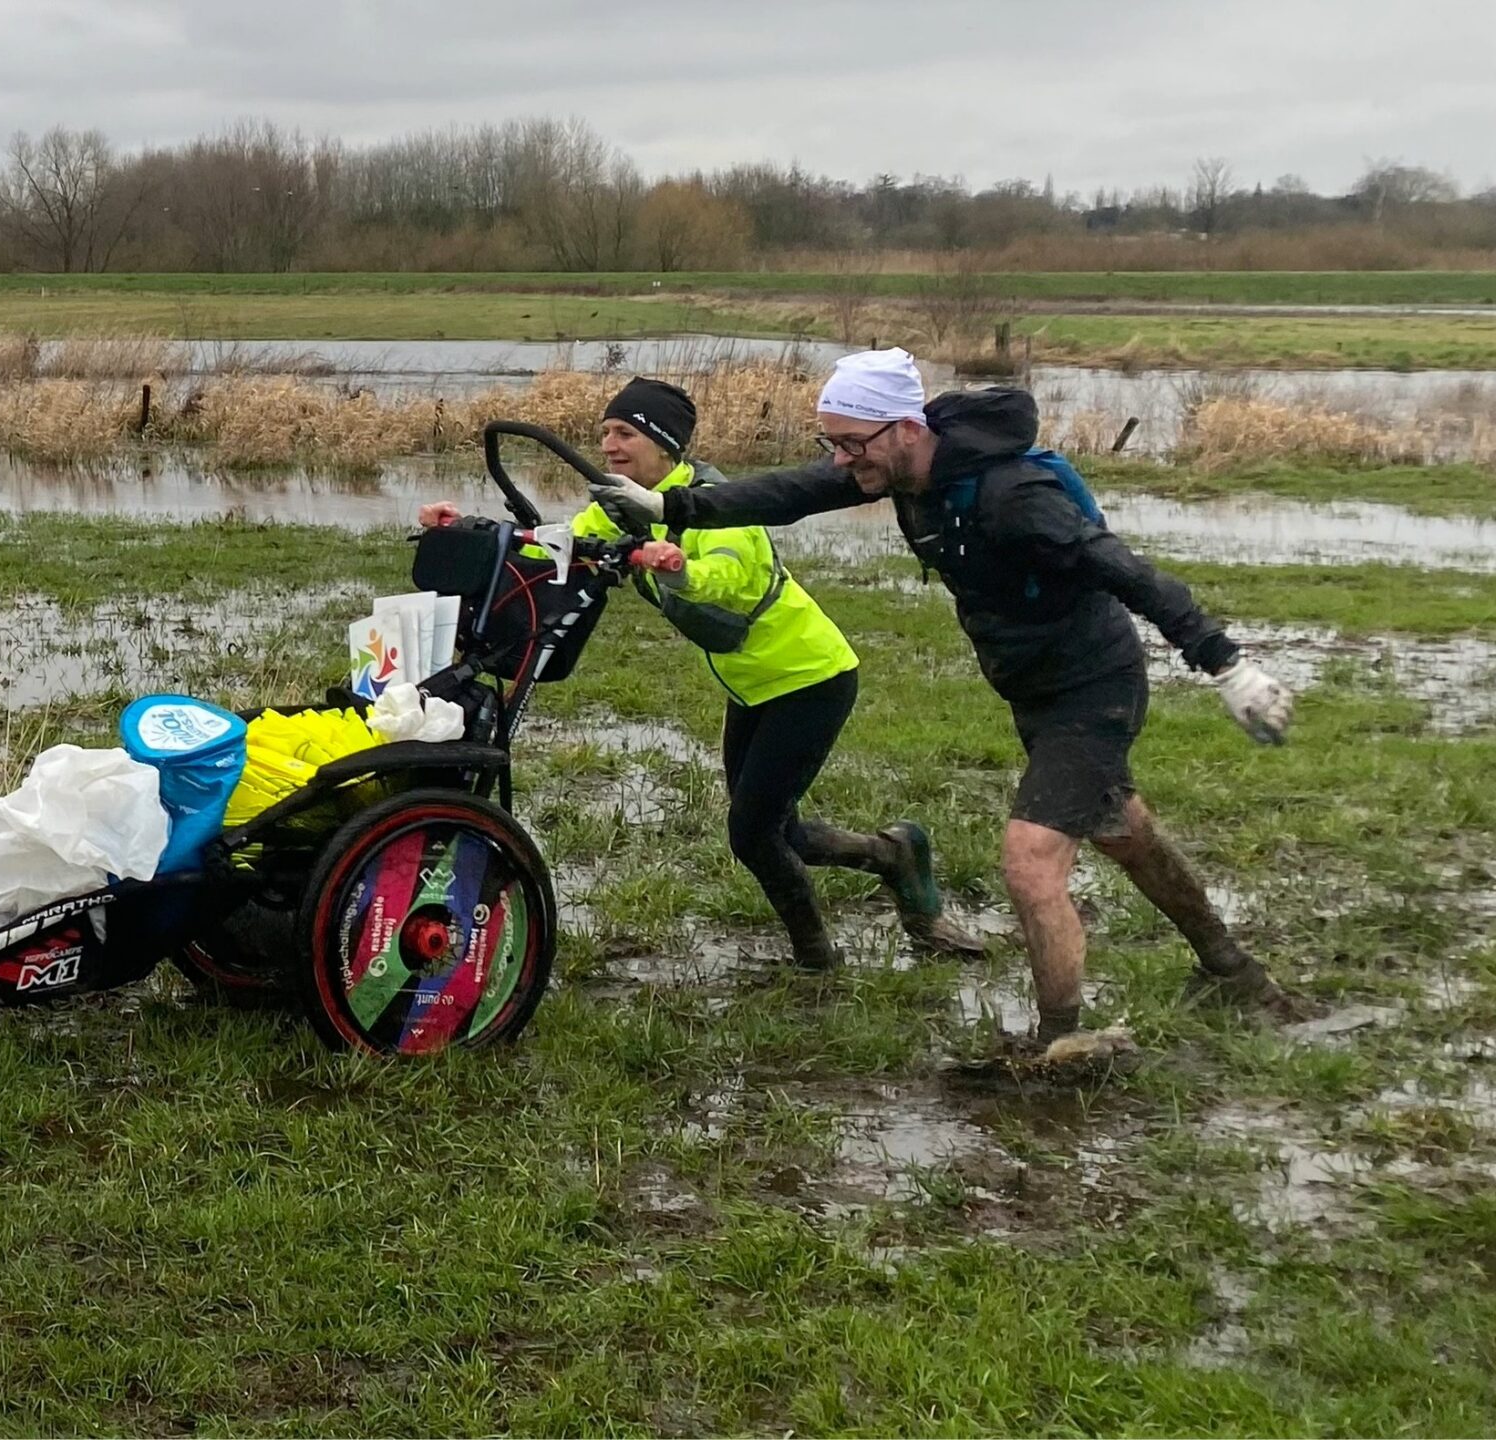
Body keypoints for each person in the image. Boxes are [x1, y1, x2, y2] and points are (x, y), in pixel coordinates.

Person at [586, 349, 1307, 1045]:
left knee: (1030, 862)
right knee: (1121, 830)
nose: (840, 461)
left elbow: (1127, 572)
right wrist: (668, 503)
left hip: (1091, 689)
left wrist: (1226, 666)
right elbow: (787, 494)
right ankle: (1230, 969)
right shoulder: (894, 469)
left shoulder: (1013, 497)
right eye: (831, 444)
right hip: (1029, 684)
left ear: (906, 429)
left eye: (851, 444)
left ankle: (1060, 1045)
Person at [421, 378, 982, 970]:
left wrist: (680, 568)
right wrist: (468, 529)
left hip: (810, 678)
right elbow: (560, 549)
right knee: (775, 827)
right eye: (605, 432)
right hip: (751, 686)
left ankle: (817, 959)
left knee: (753, 832)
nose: (609, 445)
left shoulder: (720, 503)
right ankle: (893, 854)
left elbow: (732, 578)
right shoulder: (621, 505)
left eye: (625, 433)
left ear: (665, 445)